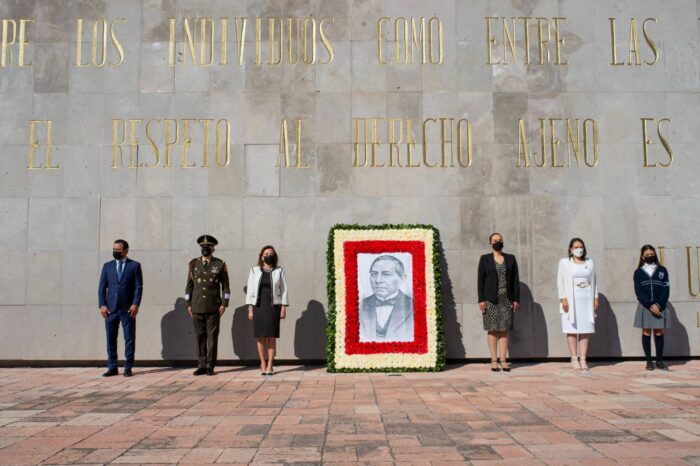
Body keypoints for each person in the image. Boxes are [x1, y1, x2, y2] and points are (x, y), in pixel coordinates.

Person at [185, 235, 230, 376]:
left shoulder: (220, 264)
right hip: (197, 306)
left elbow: (226, 288)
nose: (205, 249)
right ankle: (201, 365)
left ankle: (210, 365)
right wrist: (188, 304)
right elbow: (189, 286)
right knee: (199, 336)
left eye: (208, 247)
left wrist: (224, 303)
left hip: (213, 307)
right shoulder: (193, 264)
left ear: (213, 248)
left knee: (212, 337)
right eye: (203, 247)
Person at [98, 239, 143, 377]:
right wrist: (102, 305)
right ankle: (112, 367)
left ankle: (128, 367)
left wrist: (135, 304)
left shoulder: (134, 266)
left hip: (127, 309)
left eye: (118, 250)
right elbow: (101, 288)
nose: (115, 252)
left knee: (129, 338)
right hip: (110, 310)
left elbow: (138, 287)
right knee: (110, 339)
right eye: (114, 249)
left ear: (126, 250)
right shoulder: (107, 266)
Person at [477, 233, 520, 372]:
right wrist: (481, 300)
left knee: (503, 330)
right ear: (490, 243)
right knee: (492, 329)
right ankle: (494, 360)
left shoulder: (511, 259)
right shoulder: (485, 259)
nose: (498, 242)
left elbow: (515, 281)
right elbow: (480, 280)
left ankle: (503, 359)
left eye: (500, 240)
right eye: (495, 240)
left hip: (506, 299)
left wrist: (516, 299)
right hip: (490, 300)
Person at [557, 237, 599, 372]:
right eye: (575, 247)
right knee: (572, 328)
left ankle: (583, 358)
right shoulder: (564, 263)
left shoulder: (590, 262)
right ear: (570, 249)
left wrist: (595, 297)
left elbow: (594, 282)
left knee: (585, 329)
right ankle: (574, 358)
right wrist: (563, 298)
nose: (578, 249)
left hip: (586, 298)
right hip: (571, 299)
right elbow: (560, 281)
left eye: (581, 246)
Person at [246, 246, 289, 376]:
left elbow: (284, 290)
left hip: (273, 307)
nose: (268, 255)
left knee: (271, 336)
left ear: (274, 256)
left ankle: (270, 364)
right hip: (258, 306)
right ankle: (262, 363)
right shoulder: (254, 270)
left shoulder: (280, 271)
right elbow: (250, 291)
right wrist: (250, 309)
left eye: (270, 253)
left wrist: (283, 308)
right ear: (261, 256)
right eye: (266, 253)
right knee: (260, 336)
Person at [359, 255, 414, 343]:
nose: (378, 280)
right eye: (374, 274)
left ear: (402, 279)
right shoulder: (359, 306)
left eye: (386, 274)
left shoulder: (414, 306)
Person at [633, 245, 671, 370]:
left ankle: (659, 361)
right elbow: (638, 292)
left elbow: (666, 289)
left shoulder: (662, 270)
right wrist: (650, 305)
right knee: (646, 331)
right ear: (643, 256)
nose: (650, 256)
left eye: (652, 254)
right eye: (647, 255)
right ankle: (649, 361)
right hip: (646, 306)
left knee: (659, 331)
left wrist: (658, 305)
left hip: (660, 306)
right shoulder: (638, 273)